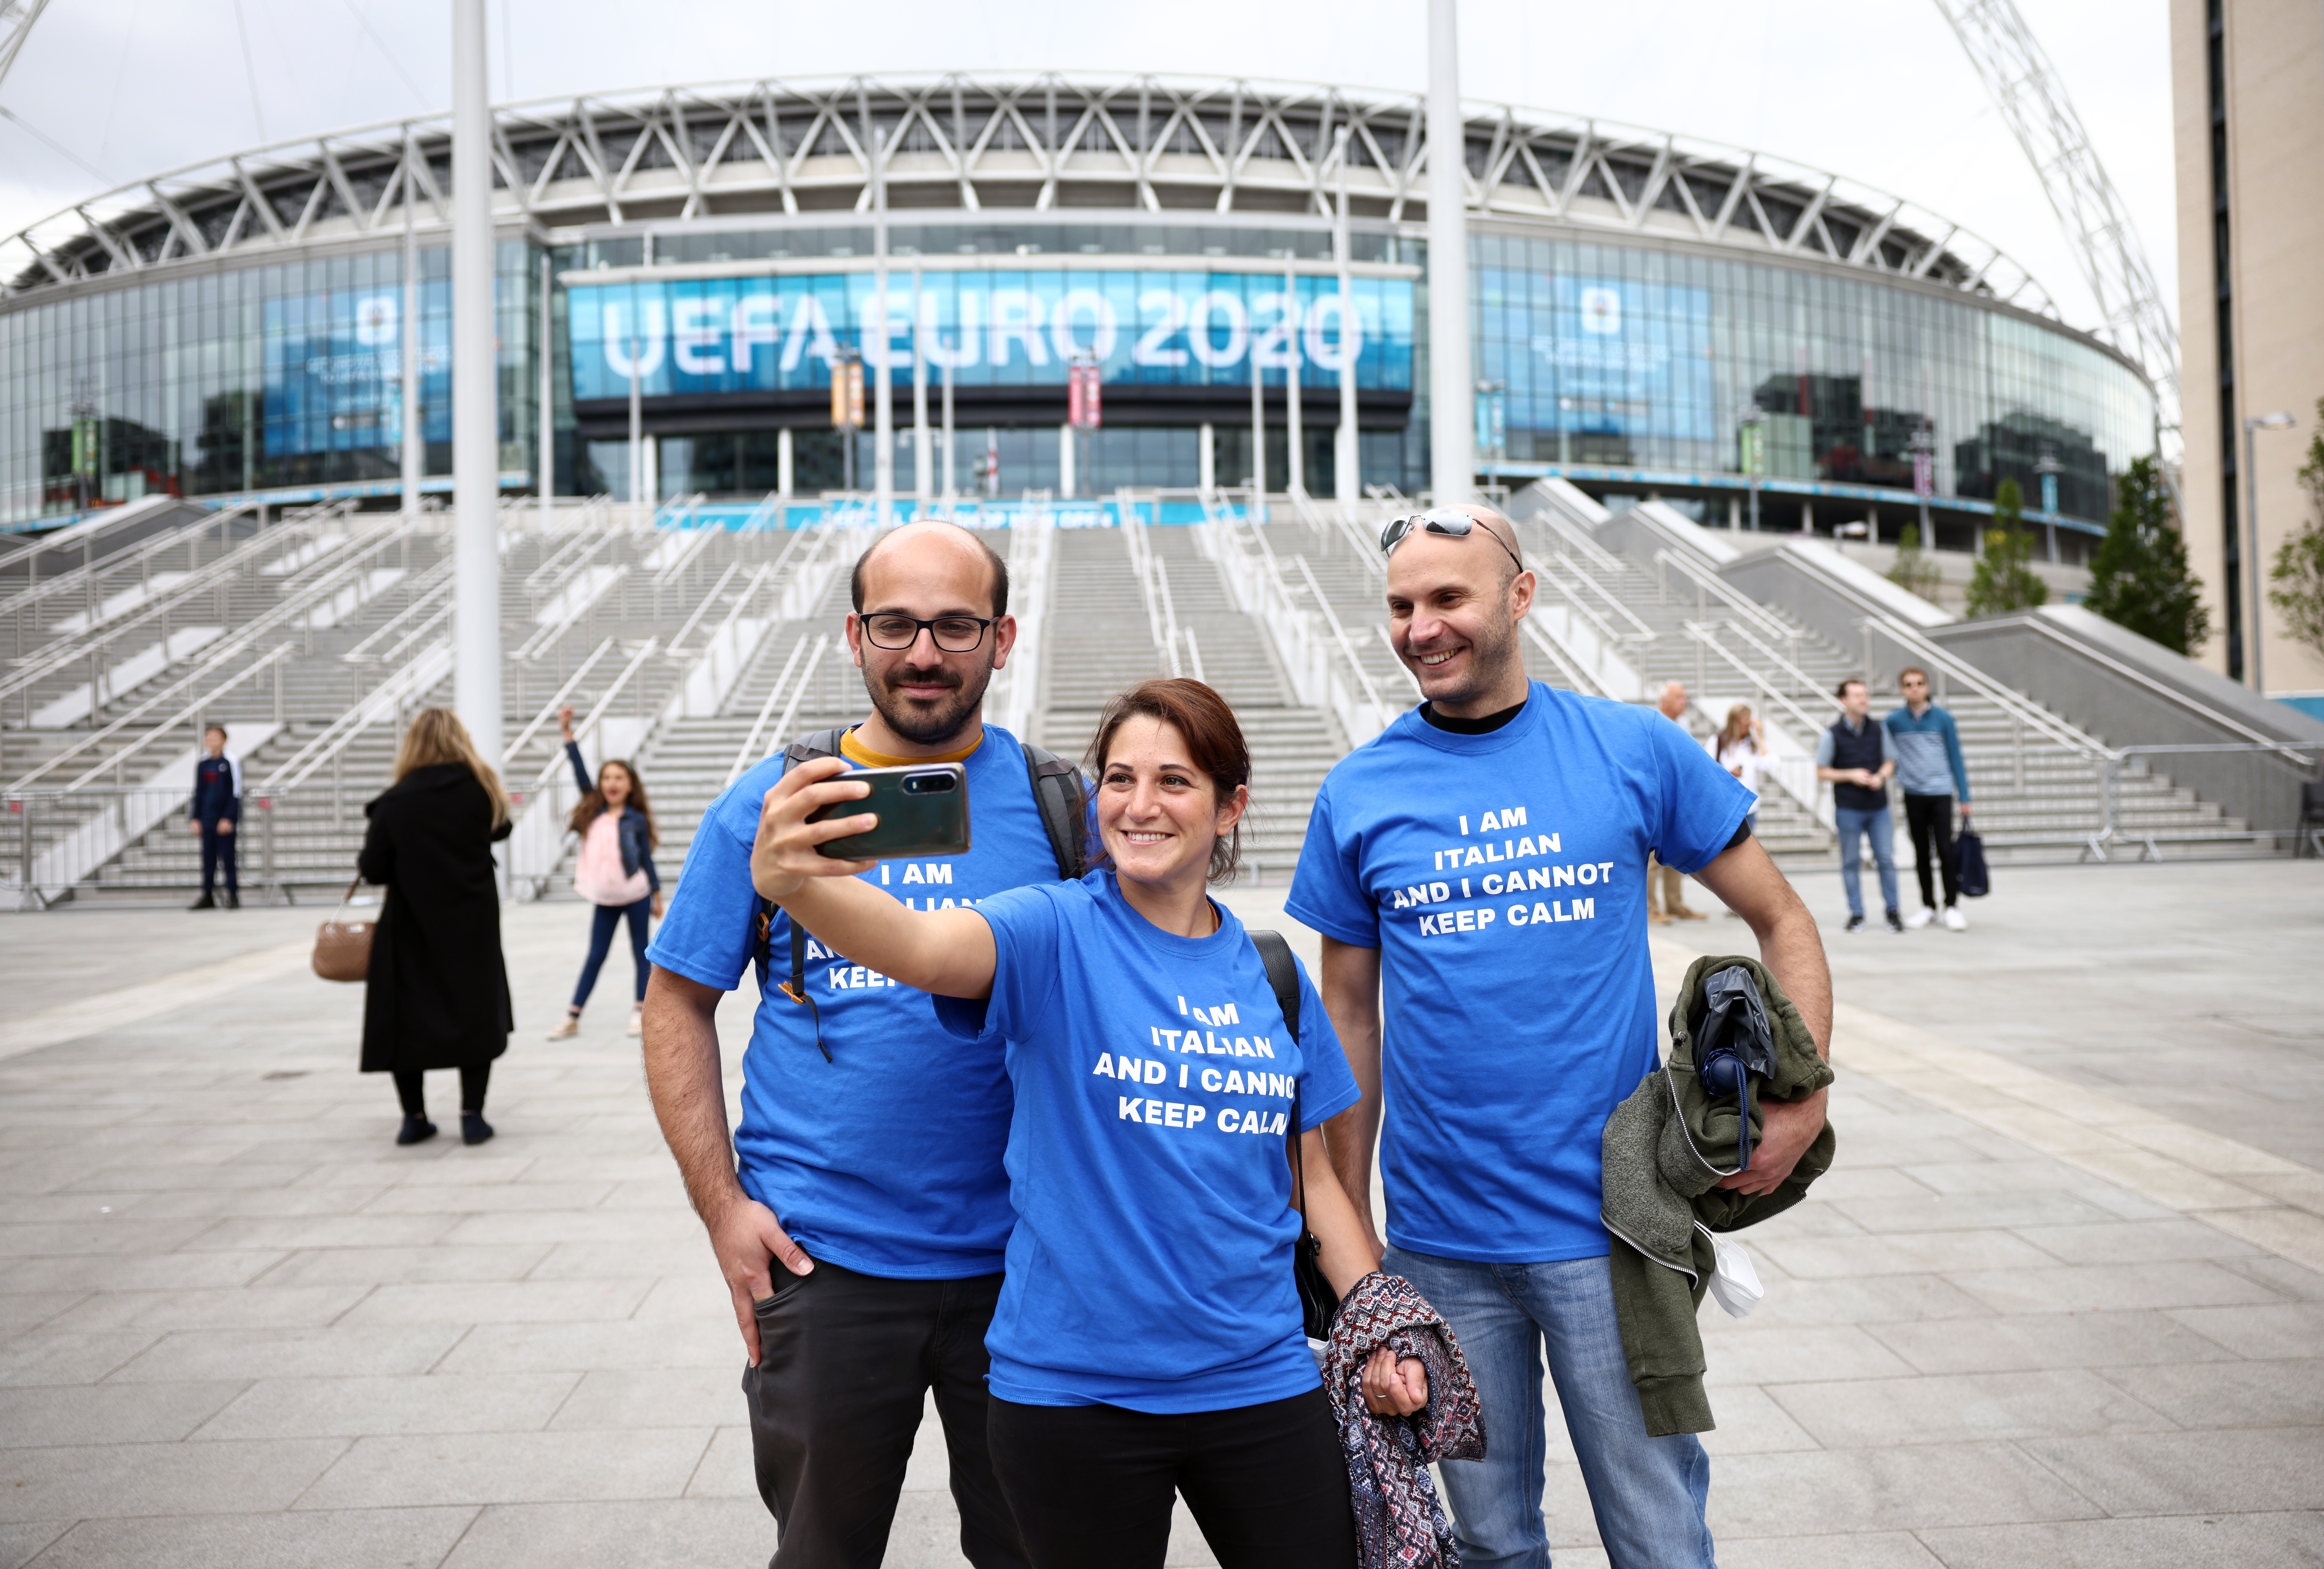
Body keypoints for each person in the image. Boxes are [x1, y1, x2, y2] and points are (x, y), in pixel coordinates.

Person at [750, 676, 1431, 1569]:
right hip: (1074, 1397)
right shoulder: (1051, 931)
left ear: (1230, 808)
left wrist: (1378, 1319)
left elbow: (1313, 1190)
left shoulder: (1269, 971)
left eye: (1173, 781)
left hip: (1257, 1378)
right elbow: (918, 947)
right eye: (1117, 778)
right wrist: (795, 885)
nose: (1139, 805)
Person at [1290, 503, 1833, 1569]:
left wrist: (1802, 1092)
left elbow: (1782, 917)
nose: (1419, 627)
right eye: (1400, 606)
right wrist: (1352, 1241)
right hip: (1441, 1244)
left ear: (1518, 594)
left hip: (1614, 1234)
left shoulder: (1629, 748)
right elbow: (1349, 1016)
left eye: (1446, 598)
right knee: (1490, 1544)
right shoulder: (1358, 791)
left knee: (1656, 1533)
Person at [642, 521, 1069, 1569]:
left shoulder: (1069, 809)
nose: (923, 652)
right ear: (853, 633)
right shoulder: (773, 804)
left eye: (955, 625)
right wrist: (721, 1209)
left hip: (1031, 1268)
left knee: (1041, 1549)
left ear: (1002, 638)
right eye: (895, 623)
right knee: (822, 1550)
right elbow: (674, 1001)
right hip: (822, 1262)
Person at [357, 707, 514, 1147]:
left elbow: (374, 868)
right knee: (474, 1011)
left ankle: (414, 1116)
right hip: (472, 922)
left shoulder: (395, 801)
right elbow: (501, 829)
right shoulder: (480, 790)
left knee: (404, 1014)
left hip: (410, 923)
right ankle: (472, 1115)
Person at [547, 705, 665, 1040]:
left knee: (640, 952)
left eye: (619, 778)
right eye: (607, 778)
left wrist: (656, 895)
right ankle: (573, 1016)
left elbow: (646, 859)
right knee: (596, 955)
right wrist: (567, 734)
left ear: (630, 785)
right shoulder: (594, 810)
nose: (612, 783)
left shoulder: (636, 820)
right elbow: (579, 770)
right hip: (605, 897)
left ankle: (640, 1010)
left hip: (636, 895)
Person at [1886, 667, 1972, 932]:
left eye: (1920, 684)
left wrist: (1964, 796)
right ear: (1902, 689)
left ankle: (1952, 906)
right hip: (1913, 794)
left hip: (1941, 793)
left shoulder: (1943, 718)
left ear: (1927, 687)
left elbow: (1955, 757)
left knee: (1946, 850)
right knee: (1922, 853)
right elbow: (1889, 756)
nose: (1915, 688)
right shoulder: (1893, 721)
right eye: (1909, 684)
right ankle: (1928, 907)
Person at [1815, 678, 1900, 934]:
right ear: (1844, 701)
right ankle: (1856, 914)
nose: (1864, 700)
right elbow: (1821, 772)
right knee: (1851, 861)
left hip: (1878, 808)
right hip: (1849, 808)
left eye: (1865, 695)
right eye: (1857, 696)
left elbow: (1890, 762)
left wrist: (1881, 777)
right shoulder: (1832, 734)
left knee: (1885, 858)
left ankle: (1893, 912)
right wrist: (1850, 775)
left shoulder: (1878, 729)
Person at [1645, 681, 1705, 924]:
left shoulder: (1684, 725)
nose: (1684, 701)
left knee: (1676, 854)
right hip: (1656, 797)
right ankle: (1651, 909)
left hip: (1677, 797)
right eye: (1679, 697)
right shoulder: (1651, 723)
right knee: (1651, 861)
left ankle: (1675, 903)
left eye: (1685, 697)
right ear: (1664, 701)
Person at [188, 723, 242, 910]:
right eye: (208, 737)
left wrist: (228, 818)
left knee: (228, 859)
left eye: (214, 737)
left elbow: (235, 792)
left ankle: (233, 895)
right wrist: (195, 818)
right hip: (207, 819)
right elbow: (199, 792)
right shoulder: (203, 764)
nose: (210, 741)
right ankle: (208, 895)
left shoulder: (230, 762)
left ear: (224, 741)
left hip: (223, 821)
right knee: (208, 860)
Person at [1708, 703, 1765, 835]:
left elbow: (1766, 763)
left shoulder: (1751, 744)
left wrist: (1760, 737)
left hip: (1750, 807)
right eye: (1746, 718)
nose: (1750, 722)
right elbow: (1708, 772)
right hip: (1726, 807)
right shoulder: (1717, 741)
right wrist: (1728, 774)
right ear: (1735, 720)